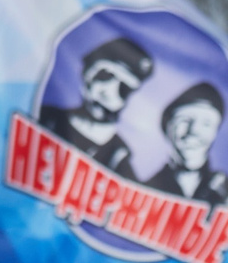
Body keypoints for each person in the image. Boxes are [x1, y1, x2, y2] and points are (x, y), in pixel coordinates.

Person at [39, 37, 152, 179]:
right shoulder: (47, 117)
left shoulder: (118, 157)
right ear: (87, 72)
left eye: (124, 88)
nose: (109, 91)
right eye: (105, 76)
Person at [153, 82, 228, 204]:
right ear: (167, 126)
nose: (194, 131)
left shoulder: (225, 190)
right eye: (185, 120)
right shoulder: (148, 187)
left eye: (206, 124)